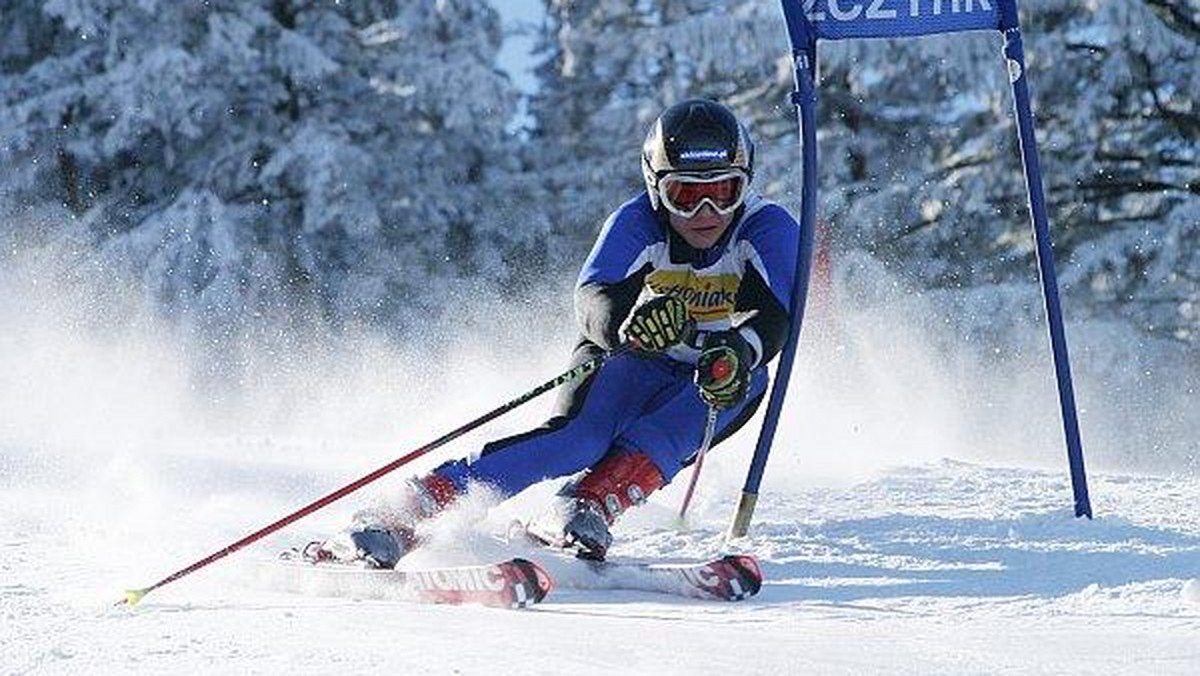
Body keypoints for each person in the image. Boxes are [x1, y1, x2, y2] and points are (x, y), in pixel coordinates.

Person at [309, 98, 800, 567]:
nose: (706, 213)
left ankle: (588, 503)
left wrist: (740, 349)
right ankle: (409, 510)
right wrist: (625, 325)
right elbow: (593, 297)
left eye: (723, 191)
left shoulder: (766, 228)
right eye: (685, 196)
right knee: (578, 441)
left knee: (745, 379)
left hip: (710, 371)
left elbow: (776, 315)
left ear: (746, 186)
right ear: (656, 188)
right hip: (633, 358)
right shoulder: (636, 222)